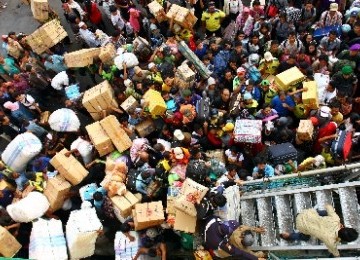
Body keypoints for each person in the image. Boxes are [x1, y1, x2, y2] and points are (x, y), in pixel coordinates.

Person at [280, 204, 358, 257]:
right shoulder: (330, 240)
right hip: (301, 226)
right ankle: (289, 235)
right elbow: (333, 250)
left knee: (326, 214)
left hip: (302, 214)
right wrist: (337, 255)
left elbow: (328, 207)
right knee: (306, 237)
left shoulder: (336, 219)